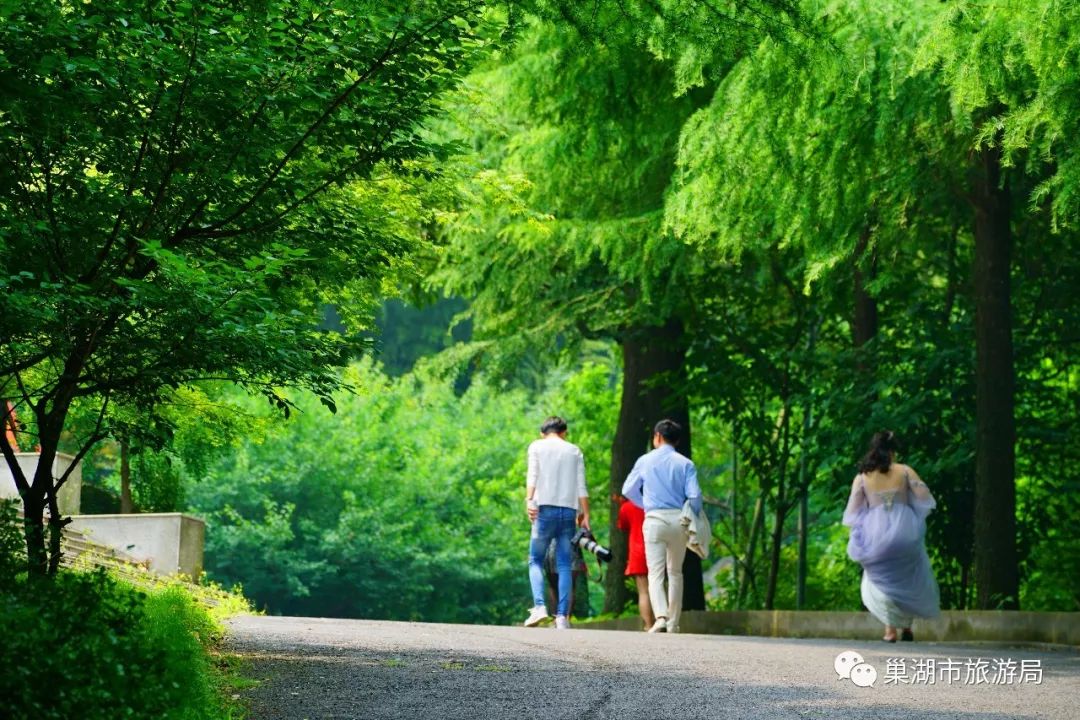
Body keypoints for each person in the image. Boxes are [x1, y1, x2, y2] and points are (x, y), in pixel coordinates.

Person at [843, 431, 940, 642]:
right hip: (905, 531)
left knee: (882, 581)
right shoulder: (905, 471)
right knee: (908, 577)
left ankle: (890, 630)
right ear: (893, 451)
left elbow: (853, 512)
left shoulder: (862, 477)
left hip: (876, 536)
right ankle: (908, 628)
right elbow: (924, 497)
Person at [621, 418, 701, 634]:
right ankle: (674, 623)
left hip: (654, 519)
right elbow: (694, 497)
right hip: (678, 520)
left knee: (655, 573)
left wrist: (645, 504)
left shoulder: (644, 461)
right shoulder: (686, 464)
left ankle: (661, 618)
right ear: (677, 440)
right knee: (675, 572)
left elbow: (627, 489)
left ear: (657, 437)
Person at [524, 416, 590, 630]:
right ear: (564, 432)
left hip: (544, 510)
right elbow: (581, 486)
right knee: (564, 565)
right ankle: (562, 617)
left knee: (535, 560)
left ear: (543, 433)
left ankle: (540, 607)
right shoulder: (574, 450)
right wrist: (585, 515)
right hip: (569, 513)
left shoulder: (537, 446)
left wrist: (529, 501)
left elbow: (532, 476)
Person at [616, 494, 655, 630]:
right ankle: (661, 620)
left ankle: (648, 625)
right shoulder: (654, 502)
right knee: (659, 586)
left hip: (637, 550)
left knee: (644, 591)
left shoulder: (627, 507)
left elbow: (622, 525)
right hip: (656, 547)